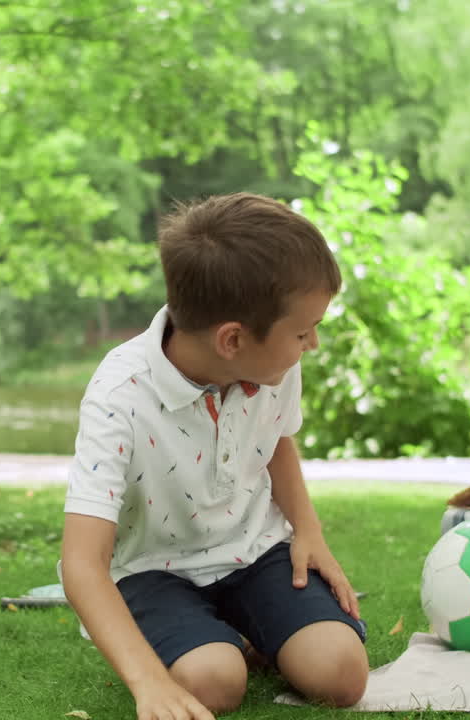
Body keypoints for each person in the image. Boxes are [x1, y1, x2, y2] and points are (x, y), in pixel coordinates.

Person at [60, 192, 368, 719]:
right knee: (213, 682)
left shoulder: (274, 362)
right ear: (232, 340)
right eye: (302, 332)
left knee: (341, 673)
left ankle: (240, 633)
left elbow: (277, 441)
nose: (311, 344)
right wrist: (149, 684)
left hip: (255, 551)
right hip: (151, 570)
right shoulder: (119, 396)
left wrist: (309, 532)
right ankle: (216, 643)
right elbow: (82, 565)